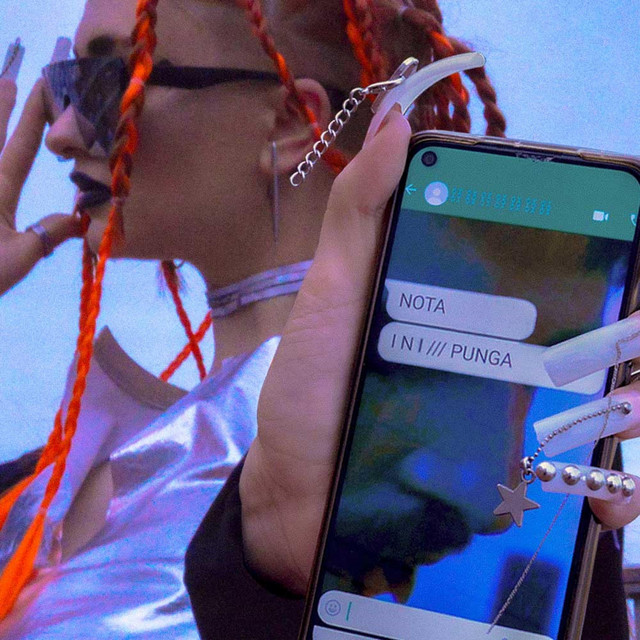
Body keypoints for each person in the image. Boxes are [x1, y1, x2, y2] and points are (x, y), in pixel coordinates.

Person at [0, 1, 636, 638]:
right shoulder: (63, 470)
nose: (62, 132)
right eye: (65, 85)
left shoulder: (388, 472)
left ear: (288, 123)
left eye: (114, 80)